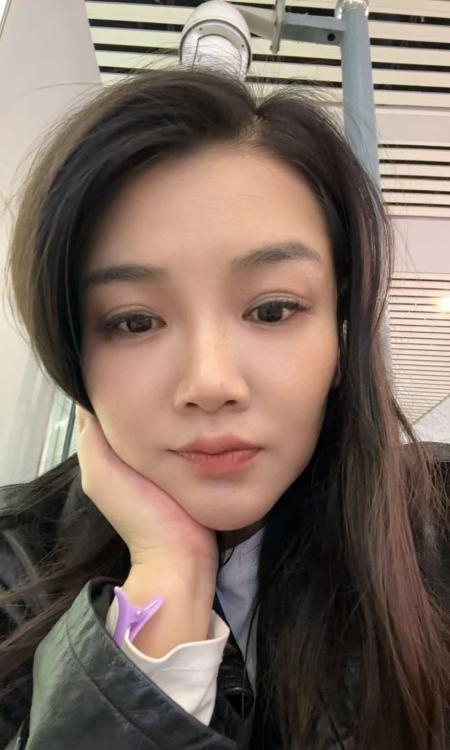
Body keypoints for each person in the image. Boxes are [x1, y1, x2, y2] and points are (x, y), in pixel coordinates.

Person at [0, 65, 449, 750]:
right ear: (74, 353)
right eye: (135, 321)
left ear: (341, 335)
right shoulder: (12, 569)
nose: (210, 383)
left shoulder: (436, 534)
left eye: (272, 310)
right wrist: (166, 578)